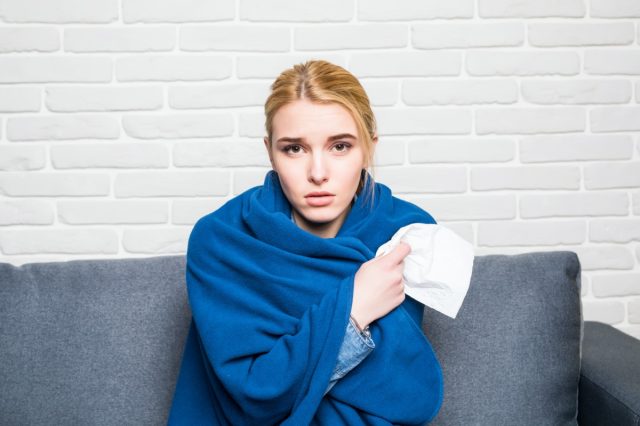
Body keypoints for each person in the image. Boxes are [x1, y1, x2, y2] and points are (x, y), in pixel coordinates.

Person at [168, 60, 443, 425]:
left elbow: (396, 389)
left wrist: (299, 347)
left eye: (340, 146)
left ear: (369, 148)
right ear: (270, 151)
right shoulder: (221, 240)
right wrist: (354, 308)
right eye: (294, 149)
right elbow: (254, 393)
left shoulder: (407, 234)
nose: (317, 173)